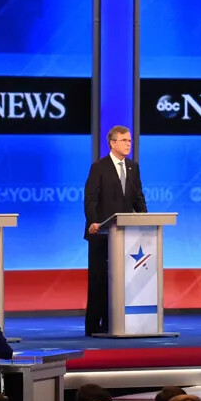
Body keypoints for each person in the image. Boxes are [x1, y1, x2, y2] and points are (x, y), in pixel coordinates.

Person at [83, 125, 147, 337]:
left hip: (123, 235)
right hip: (100, 233)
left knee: (120, 280)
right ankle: (94, 326)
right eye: (124, 140)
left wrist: (145, 220)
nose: (129, 144)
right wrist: (93, 222)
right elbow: (90, 198)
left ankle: (114, 323)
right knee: (99, 279)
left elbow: (138, 197)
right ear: (112, 143)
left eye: (129, 140)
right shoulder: (99, 167)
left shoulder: (133, 167)